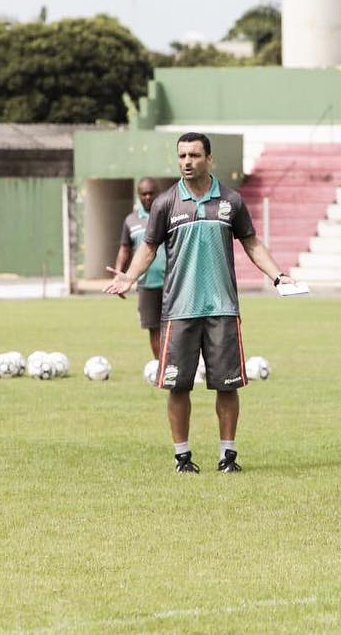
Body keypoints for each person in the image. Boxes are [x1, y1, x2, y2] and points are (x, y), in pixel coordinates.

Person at [105, 132, 294, 474]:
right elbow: (147, 248)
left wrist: (278, 276)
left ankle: (228, 456)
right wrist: (128, 277)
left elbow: (251, 244)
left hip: (222, 308)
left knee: (227, 386)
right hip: (179, 310)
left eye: (194, 155)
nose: (187, 162)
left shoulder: (231, 201)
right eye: (182, 156)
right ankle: (183, 457)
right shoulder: (165, 203)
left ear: (209, 159)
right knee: (178, 387)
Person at [115, 177, 168, 358]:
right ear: (138, 195)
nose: (147, 197)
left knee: (177, 327)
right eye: (143, 194)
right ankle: (160, 367)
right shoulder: (131, 220)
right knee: (154, 329)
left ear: (158, 194)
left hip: (172, 281)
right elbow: (124, 249)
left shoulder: (168, 215)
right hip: (146, 284)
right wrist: (119, 275)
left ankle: (182, 366)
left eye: (151, 193)